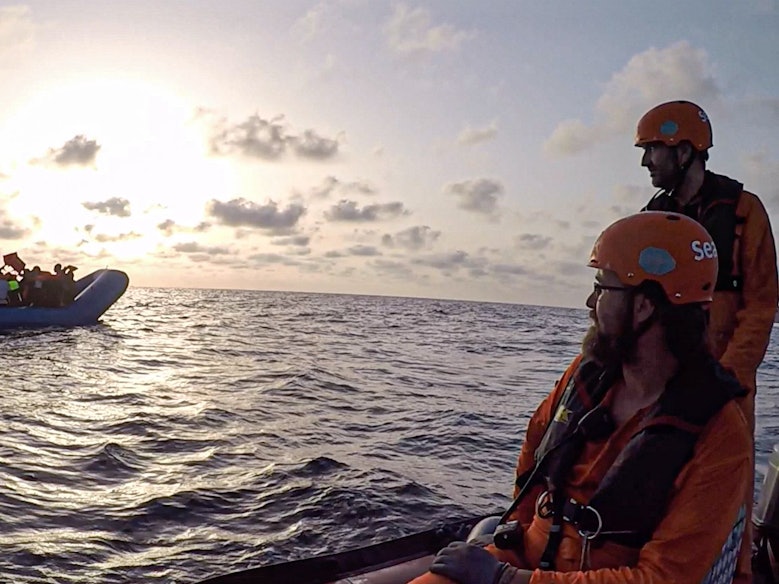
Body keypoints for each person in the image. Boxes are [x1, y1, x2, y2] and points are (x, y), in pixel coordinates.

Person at [408, 212, 752, 584]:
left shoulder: (721, 436)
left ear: (643, 306)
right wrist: (515, 537)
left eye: (602, 288)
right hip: (526, 561)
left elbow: (663, 578)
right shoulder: (587, 375)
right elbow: (535, 447)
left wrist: (506, 579)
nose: (590, 301)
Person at [635, 100, 778, 431]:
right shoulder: (650, 219)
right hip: (663, 387)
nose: (645, 162)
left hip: (725, 387)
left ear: (684, 151)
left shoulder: (745, 211)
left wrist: (726, 376)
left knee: (725, 460)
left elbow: (762, 304)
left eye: (653, 149)